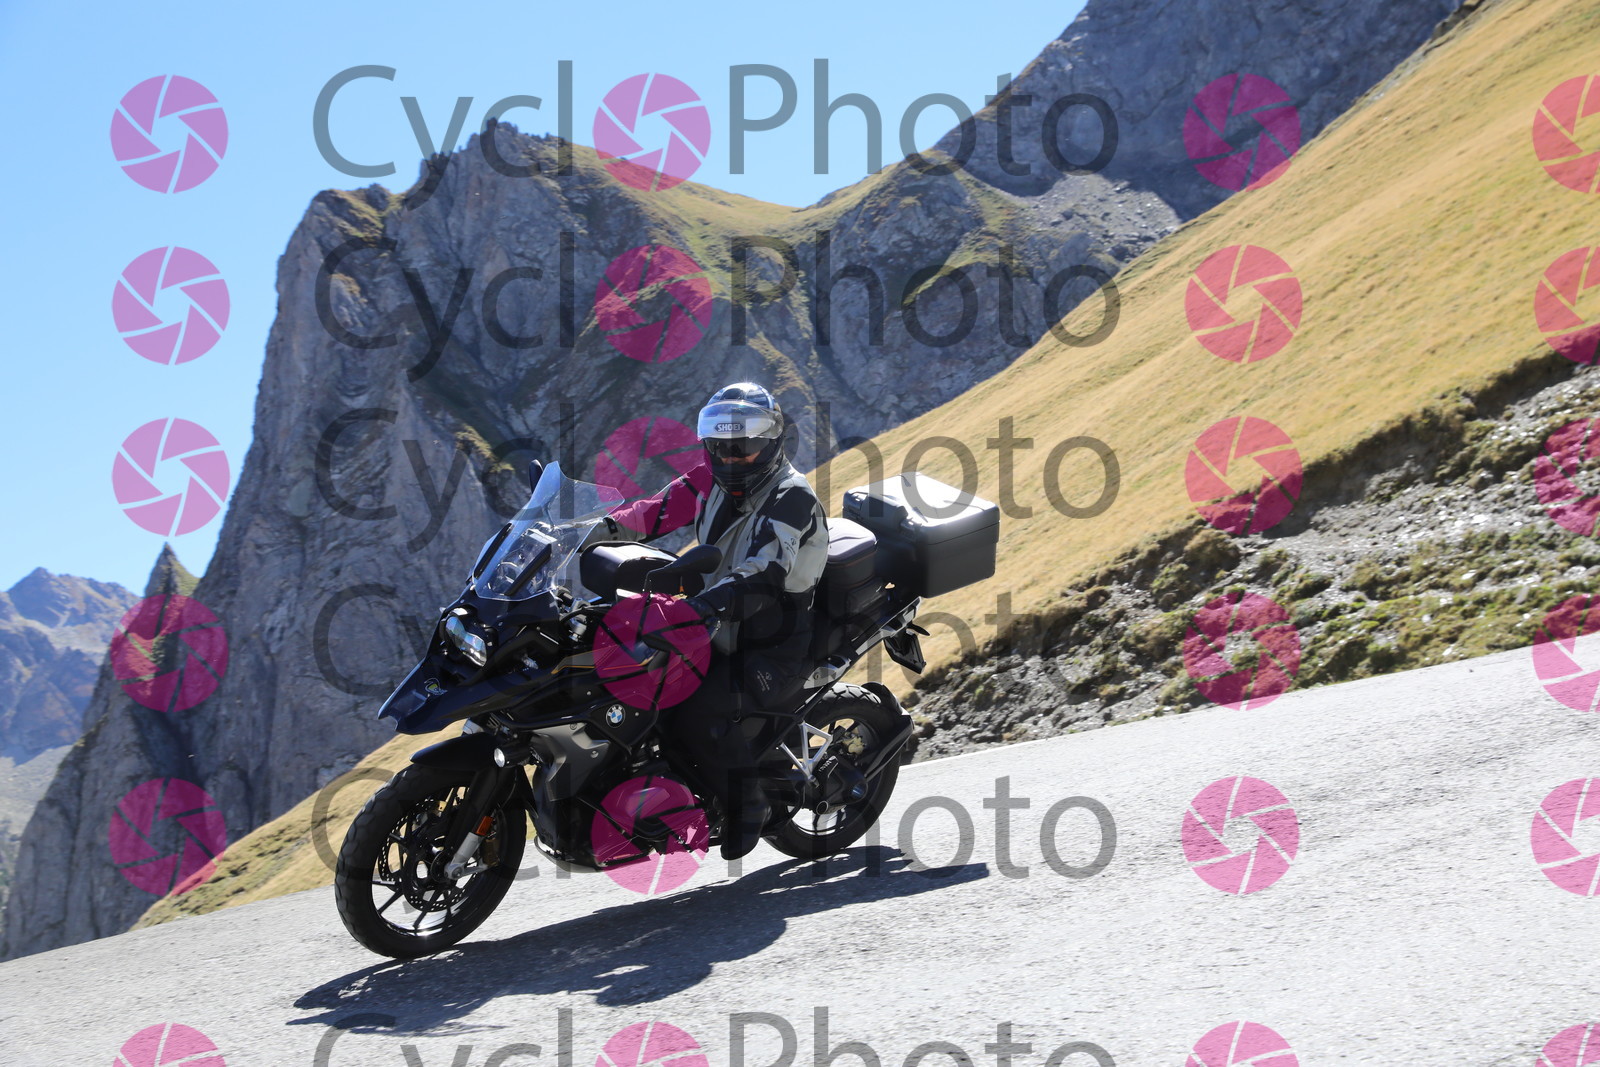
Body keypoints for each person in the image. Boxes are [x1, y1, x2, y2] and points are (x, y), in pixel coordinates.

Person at [606, 383, 829, 860]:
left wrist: (703, 607)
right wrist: (589, 529)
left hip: (770, 640)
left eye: (743, 448)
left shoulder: (791, 497)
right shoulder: (708, 479)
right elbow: (651, 515)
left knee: (697, 711)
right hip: (714, 622)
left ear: (771, 444)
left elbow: (763, 573)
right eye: (720, 447)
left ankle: (748, 804)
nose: (730, 458)